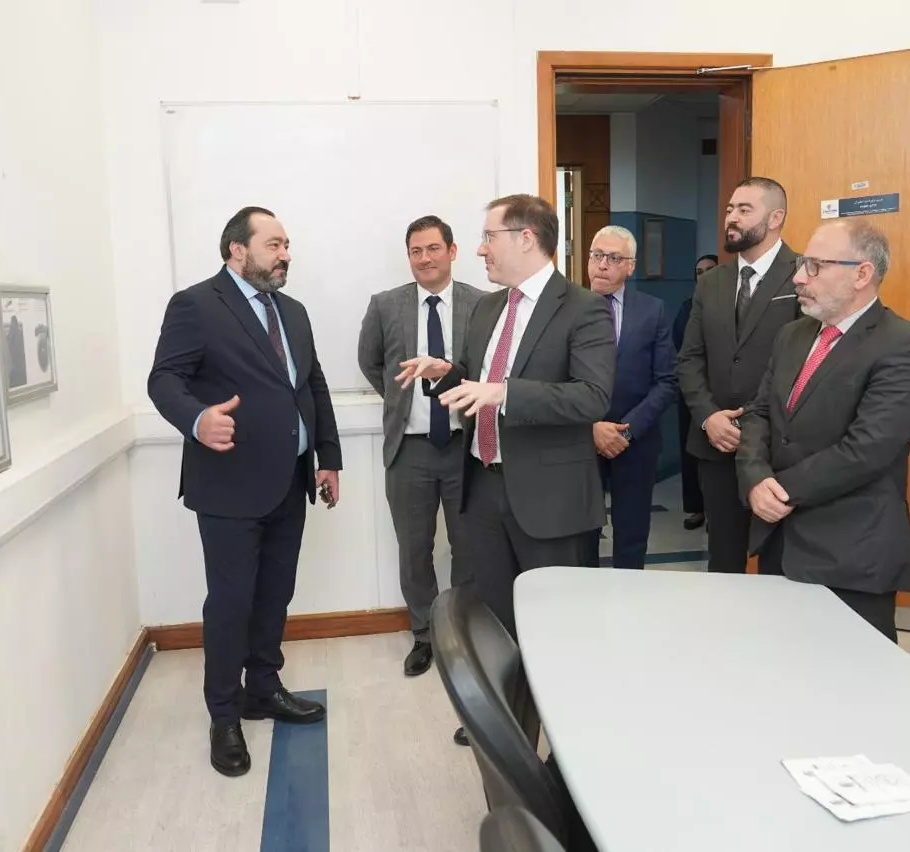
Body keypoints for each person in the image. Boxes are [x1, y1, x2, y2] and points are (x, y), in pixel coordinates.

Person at [395, 193, 614, 745]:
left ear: (526, 238)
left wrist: (506, 393)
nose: (480, 250)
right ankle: (504, 726)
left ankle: (565, 740)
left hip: (550, 499)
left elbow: (591, 396)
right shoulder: (489, 308)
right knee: (493, 620)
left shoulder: (582, 307)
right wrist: (445, 373)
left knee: (555, 627)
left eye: (489, 237)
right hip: (484, 488)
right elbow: (476, 381)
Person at [147, 206, 342, 778]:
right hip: (229, 485)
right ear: (238, 249)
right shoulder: (196, 305)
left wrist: (328, 457)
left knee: (275, 593)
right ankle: (224, 715)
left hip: (291, 478)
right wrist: (197, 419)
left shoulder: (293, 312)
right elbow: (164, 379)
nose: (285, 255)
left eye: (286, 245)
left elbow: (312, 385)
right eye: (274, 244)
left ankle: (263, 687)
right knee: (231, 603)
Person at [736, 219, 910, 641]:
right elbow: (758, 413)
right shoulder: (791, 335)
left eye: (815, 266)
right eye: (801, 265)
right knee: (781, 660)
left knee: (852, 671)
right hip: (780, 539)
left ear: (862, 274)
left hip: (852, 553)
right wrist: (755, 479)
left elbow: (868, 449)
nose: (798, 278)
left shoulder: (905, 345)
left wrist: (780, 490)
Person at [358, 215, 484, 677]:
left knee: (470, 547)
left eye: (433, 248)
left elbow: (489, 367)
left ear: (452, 251)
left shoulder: (482, 303)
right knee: (414, 549)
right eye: (416, 251)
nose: (425, 258)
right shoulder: (385, 305)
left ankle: (464, 633)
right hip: (409, 451)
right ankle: (425, 634)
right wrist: (403, 402)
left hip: (465, 447)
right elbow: (370, 362)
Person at [677, 178, 800, 574]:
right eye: (730, 208)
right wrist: (708, 416)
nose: (731, 217)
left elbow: (808, 365)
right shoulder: (711, 282)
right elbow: (689, 358)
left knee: (781, 565)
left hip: (778, 448)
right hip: (716, 444)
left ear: (775, 218)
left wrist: (757, 425)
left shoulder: (803, 275)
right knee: (724, 560)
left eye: (745, 210)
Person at [584, 225, 678, 569]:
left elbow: (667, 381)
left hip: (635, 442)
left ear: (631, 266)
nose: (602, 265)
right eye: (597, 255)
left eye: (613, 258)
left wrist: (627, 430)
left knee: (632, 536)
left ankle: (628, 597)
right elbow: (553, 380)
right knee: (581, 535)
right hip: (579, 440)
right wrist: (591, 427)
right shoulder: (565, 308)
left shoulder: (652, 310)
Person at [673, 254, 718, 530]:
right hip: (691, 391)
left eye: (709, 270)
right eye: (699, 272)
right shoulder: (687, 307)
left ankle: (717, 511)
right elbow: (681, 350)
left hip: (721, 392)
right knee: (691, 452)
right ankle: (696, 507)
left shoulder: (728, 303)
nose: (704, 275)